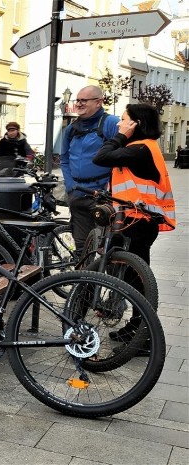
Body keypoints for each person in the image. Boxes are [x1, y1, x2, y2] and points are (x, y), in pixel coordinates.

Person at [93, 103, 176, 353]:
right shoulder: (139, 148)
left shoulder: (140, 149)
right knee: (133, 279)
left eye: (124, 120)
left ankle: (143, 339)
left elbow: (101, 157)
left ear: (135, 124)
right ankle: (136, 328)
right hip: (134, 220)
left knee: (138, 281)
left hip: (137, 222)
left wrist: (121, 136)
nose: (119, 123)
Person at [60, 85, 120, 253]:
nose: (78, 104)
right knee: (81, 246)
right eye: (77, 100)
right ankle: (83, 279)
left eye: (83, 100)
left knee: (107, 246)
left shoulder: (111, 123)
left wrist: (110, 187)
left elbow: (122, 157)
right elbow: (64, 159)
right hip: (77, 194)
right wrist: (70, 185)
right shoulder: (72, 128)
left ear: (98, 102)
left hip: (102, 196)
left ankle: (105, 278)